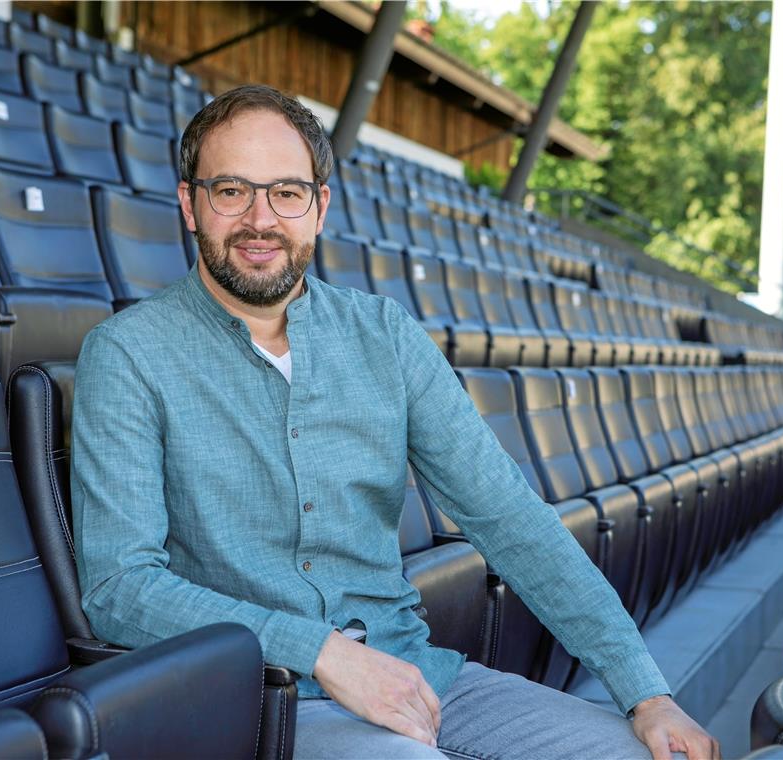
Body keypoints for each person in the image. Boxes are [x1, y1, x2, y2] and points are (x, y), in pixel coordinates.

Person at [71, 84, 719, 760]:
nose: (260, 218)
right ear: (189, 204)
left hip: (421, 678)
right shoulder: (127, 354)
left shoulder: (385, 336)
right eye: (231, 191)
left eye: (286, 193)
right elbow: (121, 589)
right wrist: (320, 652)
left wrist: (647, 695)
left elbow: (513, 521)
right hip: (262, 703)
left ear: (319, 207)